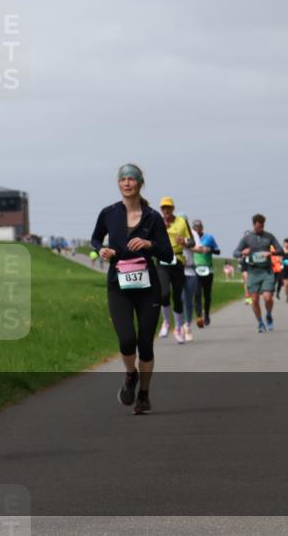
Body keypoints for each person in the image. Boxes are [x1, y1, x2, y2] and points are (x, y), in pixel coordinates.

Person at [90, 164, 174, 415]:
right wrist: (101, 249)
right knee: (127, 339)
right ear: (119, 183)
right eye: (123, 179)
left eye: (132, 179)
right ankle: (130, 374)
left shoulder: (152, 217)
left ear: (140, 183)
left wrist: (149, 244)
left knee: (145, 344)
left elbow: (167, 254)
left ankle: (144, 395)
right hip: (118, 285)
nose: (127, 183)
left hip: (148, 287)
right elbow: (95, 238)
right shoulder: (109, 213)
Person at [233, 214, 284, 333]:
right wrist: (242, 253)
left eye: (262, 226)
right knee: (255, 299)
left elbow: (280, 250)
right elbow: (235, 252)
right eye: (258, 226)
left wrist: (270, 253)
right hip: (253, 271)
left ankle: (269, 315)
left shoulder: (269, 236)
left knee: (267, 297)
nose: (260, 228)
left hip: (267, 271)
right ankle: (260, 322)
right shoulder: (247, 238)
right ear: (253, 225)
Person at [156, 196, 194, 343]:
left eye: (168, 207)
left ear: (173, 208)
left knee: (177, 297)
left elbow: (192, 242)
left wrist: (184, 241)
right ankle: (166, 322)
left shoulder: (182, 222)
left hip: (178, 260)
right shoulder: (157, 222)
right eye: (163, 208)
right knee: (164, 293)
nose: (166, 210)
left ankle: (178, 328)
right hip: (162, 261)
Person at [191, 219, 221, 328]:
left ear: (202, 227)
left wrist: (210, 249)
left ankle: (207, 314)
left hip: (208, 269)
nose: (197, 229)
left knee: (207, 294)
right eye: (195, 228)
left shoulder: (209, 237)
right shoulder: (191, 239)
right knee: (197, 293)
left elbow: (218, 251)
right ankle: (199, 316)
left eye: (199, 227)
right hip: (195, 269)